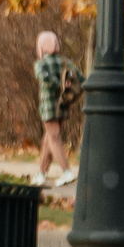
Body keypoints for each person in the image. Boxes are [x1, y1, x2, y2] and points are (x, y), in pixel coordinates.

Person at [35, 31, 79, 186]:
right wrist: (67, 87)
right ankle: (41, 174)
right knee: (48, 139)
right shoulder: (65, 62)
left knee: (53, 138)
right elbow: (79, 77)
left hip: (48, 106)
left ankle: (66, 171)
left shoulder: (41, 64)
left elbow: (44, 78)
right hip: (63, 104)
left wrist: (56, 84)